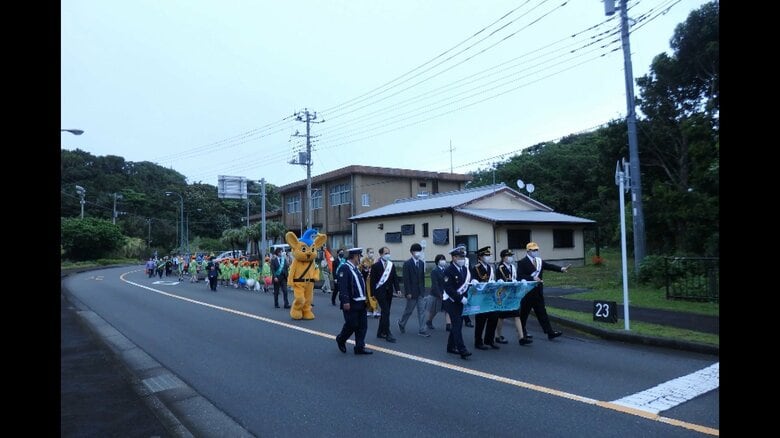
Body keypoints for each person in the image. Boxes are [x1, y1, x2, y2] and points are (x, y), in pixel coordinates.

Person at [517, 242, 569, 340]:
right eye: (533, 250)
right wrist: (532, 278)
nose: (535, 252)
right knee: (524, 314)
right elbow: (519, 277)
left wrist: (561, 269)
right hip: (527, 292)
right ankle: (522, 332)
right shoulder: (522, 262)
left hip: (538, 292)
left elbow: (549, 266)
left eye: (536, 250)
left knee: (542, 313)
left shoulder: (539, 261)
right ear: (528, 251)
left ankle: (550, 332)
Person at [335, 248, 373, 355]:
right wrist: (345, 300)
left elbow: (360, 282)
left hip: (361, 301)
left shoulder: (356, 269)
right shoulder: (344, 268)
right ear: (355, 256)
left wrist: (365, 272)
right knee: (352, 324)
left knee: (362, 326)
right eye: (359, 256)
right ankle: (341, 339)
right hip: (351, 302)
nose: (360, 259)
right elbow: (343, 286)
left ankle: (359, 347)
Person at [495, 249, 533, 346]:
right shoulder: (500, 268)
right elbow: (501, 281)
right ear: (503, 258)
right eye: (508, 256)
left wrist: (521, 281)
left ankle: (521, 338)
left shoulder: (512, 267)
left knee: (516, 315)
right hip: (504, 295)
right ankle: (498, 336)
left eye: (511, 256)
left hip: (512, 295)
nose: (511, 258)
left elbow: (515, 278)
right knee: (501, 317)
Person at [441, 245, 472, 359]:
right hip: (451, 301)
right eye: (460, 257)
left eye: (463, 257)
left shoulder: (464, 268)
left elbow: (466, 283)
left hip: (461, 301)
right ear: (453, 258)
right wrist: (460, 298)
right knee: (457, 324)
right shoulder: (448, 270)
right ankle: (462, 349)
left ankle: (450, 346)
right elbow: (448, 288)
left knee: (456, 324)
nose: (462, 259)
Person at [470, 246, 500, 350]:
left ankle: (489, 339)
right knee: (481, 320)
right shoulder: (476, 268)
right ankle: (478, 341)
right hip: (481, 297)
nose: (488, 257)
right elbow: (473, 280)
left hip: (490, 297)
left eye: (489, 255)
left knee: (494, 317)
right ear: (480, 257)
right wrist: (476, 282)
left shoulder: (490, 268)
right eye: (486, 255)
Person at [399, 243, 430, 337]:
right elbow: (406, 279)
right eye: (416, 251)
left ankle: (422, 329)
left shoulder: (421, 263)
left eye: (419, 251)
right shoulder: (407, 264)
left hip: (420, 292)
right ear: (412, 252)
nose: (418, 253)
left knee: (422, 311)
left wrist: (423, 290)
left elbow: (422, 278)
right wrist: (407, 292)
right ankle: (401, 323)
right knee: (409, 311)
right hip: (411, 292)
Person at [370, 246, 400, 343]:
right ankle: (387, 333)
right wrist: (372, 294)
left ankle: (380, 332)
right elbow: (372, 281)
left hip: (389, 292)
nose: (388, 255)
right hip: (380, 292)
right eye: (386, 253)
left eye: (388, 253)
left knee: (384, 312)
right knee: (386, 311)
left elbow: (395, 277)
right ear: (381, 254)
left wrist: (398, 289)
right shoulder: (376, 266)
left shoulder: (391, 265)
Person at [425, 254, 447, 331]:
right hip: (437, 293)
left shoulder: (446, 269)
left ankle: (448, 325)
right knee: (434, 310)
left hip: (446, 293)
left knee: (447, 309)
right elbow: (435, 284)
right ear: (437, 261)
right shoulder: (434, 271)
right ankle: (429, 321)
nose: (443, 261)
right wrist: (439, 294)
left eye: (444, 259)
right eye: (441, 259)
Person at [360, 248, 379, 318]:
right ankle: (369, 310)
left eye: (372, 252)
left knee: (374, 295)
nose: (371, 254)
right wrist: (365, 268)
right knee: (367, 295)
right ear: (367, 253)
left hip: (373, 280)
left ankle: (375, 309)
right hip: (367, 281)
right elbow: (361, 270)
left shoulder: (374, 261)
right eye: (370, 252)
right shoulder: (363, 261)